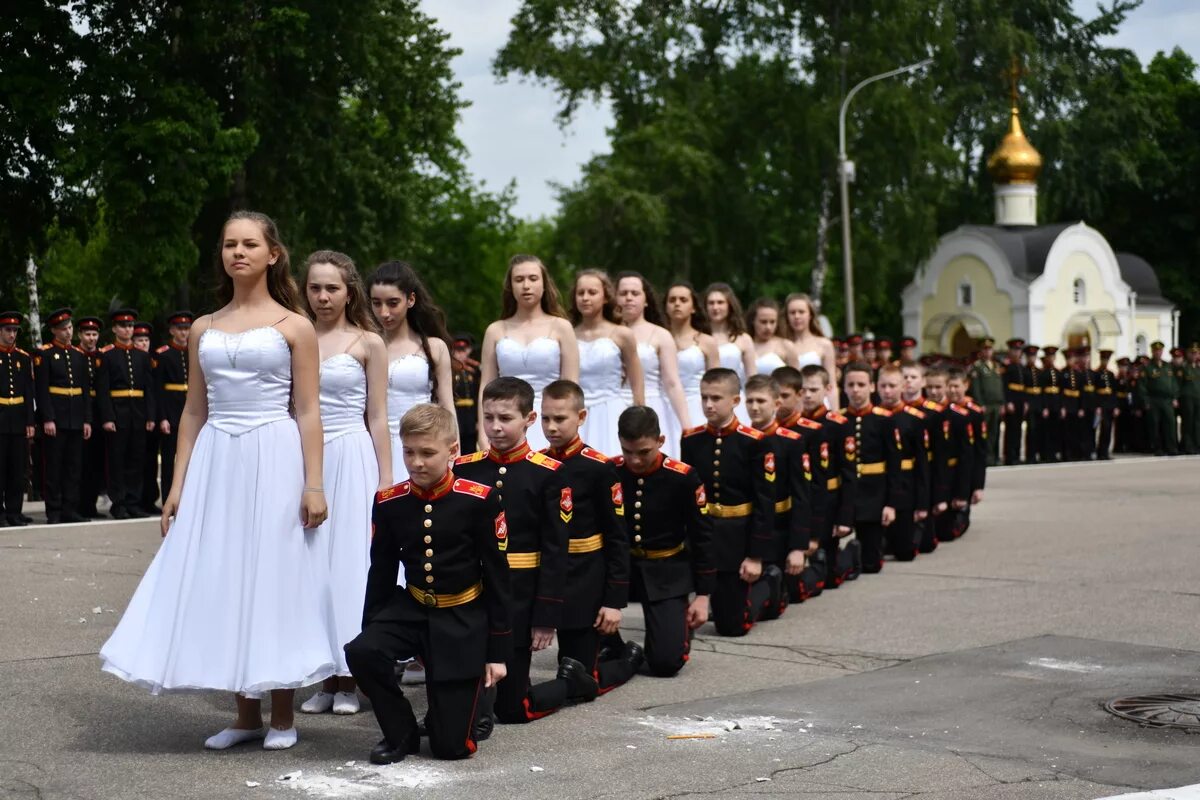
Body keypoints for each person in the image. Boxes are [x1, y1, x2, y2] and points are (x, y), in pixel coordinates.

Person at [100, 210, 336, 751]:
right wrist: (177, 483)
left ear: (272, 254)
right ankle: (244, 714)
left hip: (274, 453)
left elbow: (307, 411)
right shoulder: (203, 328)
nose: (238, 253)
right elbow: (192, 412)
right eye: (230, 244)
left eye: (250, 244)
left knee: (273, 575)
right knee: (227, 575)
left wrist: (314, 483)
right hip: (217, 459)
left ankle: (282, 715)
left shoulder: (294, 326)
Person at [344, 403, 512, 764]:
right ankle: (400, 731)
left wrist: (497, 653)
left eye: (427, 453)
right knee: (361, 651)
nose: (416, 462)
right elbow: (382, 570)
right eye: (409, 452)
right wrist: (372, 634)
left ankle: (470, 704)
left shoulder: (479, 499)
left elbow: (498, 576)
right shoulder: (391, 502)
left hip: (462, 616)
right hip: (415, 606)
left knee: (450, 748)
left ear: (453, 450)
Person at [298, 250, 393, 717]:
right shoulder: (293, 335)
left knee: (351, 566)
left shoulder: (367, 342)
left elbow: (378, 416)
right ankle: (321, 675)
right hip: (305, 460)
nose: (322, 296)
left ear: (349, 290)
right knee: (312, 567)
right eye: (315, 287)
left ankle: (352, 678)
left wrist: (388, 481)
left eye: (332, 287)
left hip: (352, 456)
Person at [454, 377, 569, 729]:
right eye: (488, 417)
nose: (495, 427)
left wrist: (545, 615)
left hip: (522, 593)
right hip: (477, 591)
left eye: (505, 418)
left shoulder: (548, 474)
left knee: (514, 710)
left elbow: (555, 548)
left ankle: (571, 683)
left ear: (529, 419)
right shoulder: (466, 468)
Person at [526, 380, 631, 706]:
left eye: (560, 419)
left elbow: (617, 537)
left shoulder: (599, 469)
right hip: (546, 573)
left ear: (581, 416)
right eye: (545, 419)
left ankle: (628, 658)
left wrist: (613, 601)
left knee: (579, 676)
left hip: (585, 578)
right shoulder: (536, 465)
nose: (551, 427)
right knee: (567, 674)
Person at [604, 405, 713, 677]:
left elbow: (703, 536)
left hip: (666, 568)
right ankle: (617, 648)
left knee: (665, 663)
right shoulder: (610, 471)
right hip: (622, 567)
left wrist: (702, 596)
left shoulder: (682, 477)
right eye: (628, 452)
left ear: (660, 441)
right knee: (592, 653)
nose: (635, 461)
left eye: (644, 452)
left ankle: (674, 630)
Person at [680, 368, 783, 636]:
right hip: (704, 532)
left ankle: (769, 582)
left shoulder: (755, 442)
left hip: (737, 538)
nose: (708, 404)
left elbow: (764, 501)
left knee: (732, 627)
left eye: (716, 398)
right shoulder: (691, 440)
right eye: (704, 397)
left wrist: (755, 555)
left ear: (735, 401)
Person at [479, 255, 579, 452]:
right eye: (519, 279)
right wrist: (483, 434)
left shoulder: (562, 327)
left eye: (533, 278)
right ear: (510, 286)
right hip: (505, 422)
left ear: (544, 284)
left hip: (551, 421)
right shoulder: (495, 330)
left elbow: (570, 387)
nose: (526, 285)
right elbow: (486, 387)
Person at [370, 261, 455, 484]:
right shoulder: (366, 346)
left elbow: (447, 406)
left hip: (424, 445)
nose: (384, 312)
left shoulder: (434, 347)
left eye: (392, 303)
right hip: (373, 447)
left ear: (411, 299)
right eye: (376, 303)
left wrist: (454, 456)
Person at [742, 374, 811, 611]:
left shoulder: (791, 442)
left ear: (776, 404)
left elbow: (801, 496)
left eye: (761, 401)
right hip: (746, 528)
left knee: (775, 599)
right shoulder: (741, 440)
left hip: (779, 529)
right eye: (750, 401)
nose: (754, 407)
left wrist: (798, 546)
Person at [834, 362, 902, 574]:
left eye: (861, 384)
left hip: (873, 493)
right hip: (844, 493)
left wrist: (891, 504)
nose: (855, 390)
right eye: (851, 384)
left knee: (871, 565)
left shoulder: (885, 420)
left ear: (872, 387)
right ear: (843, 387)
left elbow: (894, 464)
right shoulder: (838, 420)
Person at [616, 273, 691, 458]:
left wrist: (687, 427)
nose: (629, 298)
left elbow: (672, 382)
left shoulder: (661, 335)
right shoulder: (607, 332)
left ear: (646, 300)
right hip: (611, 406)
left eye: (635, 293)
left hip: (652, 405)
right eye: (623, 293)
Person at [571, 270, 644, 457]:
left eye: (592, 292)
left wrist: (640, 419)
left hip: (611, 410)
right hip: (577, 412)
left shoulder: (622, 334)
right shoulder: (568, 334)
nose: (585, 298)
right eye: (581, 293)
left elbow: (637, 382)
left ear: (605, 297)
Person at [95, 309, 156, 518]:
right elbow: (103, 390)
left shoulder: (141, 356)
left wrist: (150, 416)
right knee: (117, 461)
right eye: (123, 326)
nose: (127, 330)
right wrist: (108, 417)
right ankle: (119, 503)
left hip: (138, 413)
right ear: (114, 329)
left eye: (130, 326)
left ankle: (133, 502)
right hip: (118, 412)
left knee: (136, 459)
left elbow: (149, 389)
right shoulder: (107, 355)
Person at [34, 309, 90, 525]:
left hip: (75, 417)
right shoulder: (45, 354)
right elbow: (42, 389)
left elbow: (84, 390)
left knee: (73, 467)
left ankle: (70, 508)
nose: (68, 332)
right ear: (54, 331)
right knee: (54, 467)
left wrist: (86, 419)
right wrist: (47, 418)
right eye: (63, 329)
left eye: (70, 328)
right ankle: (54, 510)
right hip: (56, 418)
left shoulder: (78, 355)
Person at [876, 364, 929, 562]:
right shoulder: (873, 417)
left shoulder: (914, 419)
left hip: (907, 483)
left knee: (904, 552)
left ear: (902, 387)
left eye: (892, 385)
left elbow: (922, 463)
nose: (887, 391)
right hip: (879, 484)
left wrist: (923, 503)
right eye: (883, 386)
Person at [900, 362, 947, 554]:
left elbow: (940, 455)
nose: (909, 381)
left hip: (927, 468)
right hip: (904, 471)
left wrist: (941, 494)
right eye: (905, 377)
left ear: (923, 382)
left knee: (926, 542)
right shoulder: (893, 411)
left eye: (913, 377)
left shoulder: (934, 412)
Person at [925, 366, 973, 544]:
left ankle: (961, 515)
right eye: (930, 388)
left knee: (947, 533)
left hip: (951, 474)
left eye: (938, 387)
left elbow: (966, 457)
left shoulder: (958, 416)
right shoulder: (922, 414)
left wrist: (962, 493)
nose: (934, 392)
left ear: (946, 387)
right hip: (929, 472)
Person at [664, 282, 719, 433]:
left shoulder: (707, 342)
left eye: (683, 300)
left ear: (693, 307)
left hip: (697, 405)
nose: (677, 304)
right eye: (672, 300)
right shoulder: (659, 338)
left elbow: (717, 384)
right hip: (663, 405)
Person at [0, 311, 35, 526]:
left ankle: (14, 511)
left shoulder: (23, 357)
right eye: (7, 330)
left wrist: (30, 422)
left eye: (14, 331)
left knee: (17, 469)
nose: (12, 334)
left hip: (18, 419)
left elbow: (29, 392)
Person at [155, 311, 192, 501]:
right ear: (172, 331)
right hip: (171, 411)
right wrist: (162, 417)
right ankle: (168, 497)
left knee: (192, 459)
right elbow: (158, 390)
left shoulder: (194, 352)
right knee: (169, 459)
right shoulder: (164, 355)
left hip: (190, 410)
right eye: (180, 329)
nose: (184, 333)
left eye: (187, 329)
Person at [704, 283, 755, 422]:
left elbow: (752, 378)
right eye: (711, 303)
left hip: (735, 400)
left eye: (720, 302)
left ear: (729, 305)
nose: (715, 307)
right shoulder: (699, 337)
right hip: (705, 399)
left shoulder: (743, 338)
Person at [947, 366, 987, 535]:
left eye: (956, 386)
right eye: (949, 386)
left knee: (958, 523)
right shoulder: (943, 410)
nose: (953, 390)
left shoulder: (974, 412)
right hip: (948, 466)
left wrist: (978, 486)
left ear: (966, 385)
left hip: (967, 468)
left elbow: (980, 451)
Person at [76, 316, 106, 518]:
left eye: (94, 334)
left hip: (98, 413)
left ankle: (92, 504)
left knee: (97, 462)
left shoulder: (101, 357)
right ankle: (79, 505)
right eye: (87, 334)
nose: (91, 338)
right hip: (78, 412)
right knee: (80, 462)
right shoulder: (75, 355)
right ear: (80, 335)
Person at [133, 321, 161, 513]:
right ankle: (139, 499)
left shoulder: (155, 359)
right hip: (137, 415)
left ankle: (150, 497)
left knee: (151, 461)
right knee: (138, 460)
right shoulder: (134, 359)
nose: (143, 343)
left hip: (154, 416)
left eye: (146, 339)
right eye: (139, 340)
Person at [966, 338, 1003, 467]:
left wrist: (1002, 402)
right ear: (980, 351)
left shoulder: (996, 366)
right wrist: (980, 403)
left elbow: (1000, 386)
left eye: (989, 349)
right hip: (985, 404)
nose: (987, 351)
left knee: (995, 432)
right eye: (985, 349)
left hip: (996, 404)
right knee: (984, 432)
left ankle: (994, 456)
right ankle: (984, 456)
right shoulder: (977, 367)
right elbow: (975, 387)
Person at [1140, 341, 1178, 456]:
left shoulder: (1168, 366)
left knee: (1170, 424)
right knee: (1155, 425)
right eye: (1156, 351)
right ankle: (1158, 448)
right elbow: (1142, 386)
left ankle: (1171, 448)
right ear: (1152, 351)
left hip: (1167, 400)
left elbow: (1174, 383)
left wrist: (1175, 397)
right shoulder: (1147, 367)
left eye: (1160, 351)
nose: (1158, 353)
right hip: (1154, 399)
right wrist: (1145, 401)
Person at [746, 298, 798, 375]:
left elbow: (796, 381)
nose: (768, 327)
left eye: (772, 322)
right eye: (763, 322)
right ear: (753, 321)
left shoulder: (786, 346)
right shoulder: (744, 344)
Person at [451, 333, 480, 451]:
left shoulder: (474, 371)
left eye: (463, 350)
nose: (460, 353)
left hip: (471, 416)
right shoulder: (450, 370)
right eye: (457, 350)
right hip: (457, 414)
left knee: (471, 448)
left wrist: (478, 419)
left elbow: (478, 396)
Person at [1001, 338, 1026, 465]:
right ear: (1010, 352)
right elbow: (1005, 386)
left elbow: (1024, 386)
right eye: (1014, 350)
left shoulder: (1021, 367)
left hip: (1020, 400)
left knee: (1018, 429)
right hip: (1012, 400)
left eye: (1019, 350)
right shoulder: (1006, 367)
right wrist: (1007, 401)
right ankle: (1009, 456)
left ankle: (1016, 454)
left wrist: (1025, 402)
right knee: (1010, 429)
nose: (1017, 353)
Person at [1036, 347, 1063, 463]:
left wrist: (1061, 406)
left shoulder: (1057, 372)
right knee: (1046, 431)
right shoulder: (1042, 373)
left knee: (1055, 430)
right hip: (1047, 403)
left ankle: (1054, 453)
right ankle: (1046, 454)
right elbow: (1041, 391)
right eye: (1049, 357)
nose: (1051, 359)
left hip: (1056, 403)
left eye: (1053, 356)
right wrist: (1044, 406)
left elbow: (1061, 390)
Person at [1093, 349, 1119, 460]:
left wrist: (1115, 406)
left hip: (1109, 404)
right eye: (1104, 359)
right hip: (1101, 404)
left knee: (1108, 429)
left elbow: (1114, 391)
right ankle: (1099, 451)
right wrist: (1097, 405)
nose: (1105, 362)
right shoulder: (1096, 373)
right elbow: (1094, 391)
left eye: (1107, 360)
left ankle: (1105, 451)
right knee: (1101, 428)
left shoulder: (1111, 374)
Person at [1180, 344, 1200, 455]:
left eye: (1196, 353)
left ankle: (1197, 444)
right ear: (1188, 354)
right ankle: (1187, 446)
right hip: (1187, 399)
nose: (1194, 355)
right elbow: (1178, 384)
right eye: (1192, 353)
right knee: (1188, 423)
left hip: (1198, 398)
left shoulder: (1198, 368)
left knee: (1197, 423)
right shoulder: (1184, 368)